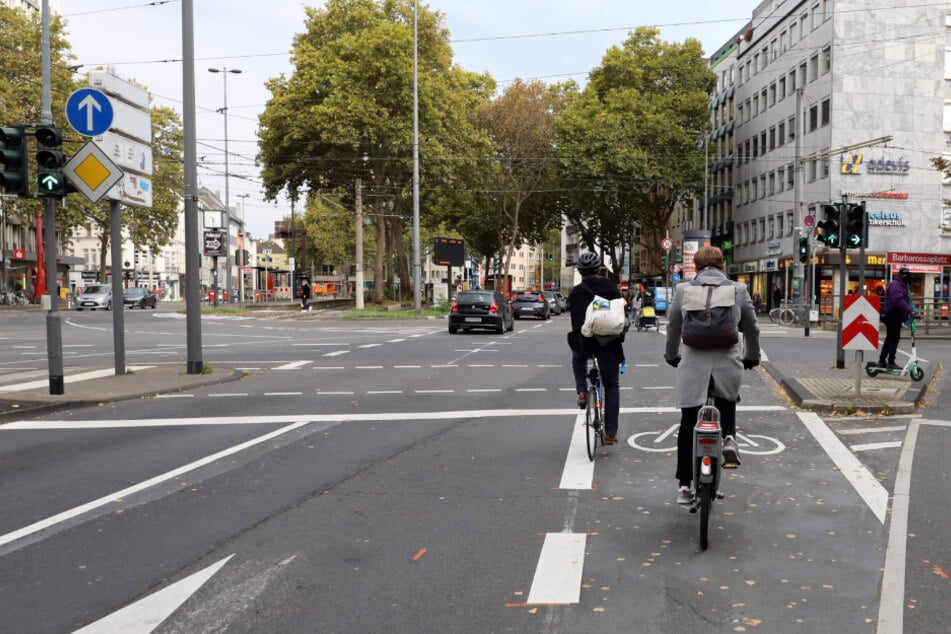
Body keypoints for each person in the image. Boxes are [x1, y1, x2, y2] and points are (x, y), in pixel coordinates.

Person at [664, 246, 761, 505]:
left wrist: (672, 355)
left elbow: (673, 327)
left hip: (693, 363)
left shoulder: (683, 290)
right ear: (723, 266)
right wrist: (753, 356)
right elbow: (752, 329)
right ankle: (729, 437)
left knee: (687, 422)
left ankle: (684, 486)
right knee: (727, 399)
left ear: (695, 268)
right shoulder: (738, 290)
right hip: (727, 362)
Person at [567, 251, 625, 445]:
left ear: (580, 272)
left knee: (577, 355)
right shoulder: (610, 287)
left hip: (584, 341)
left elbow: (575, 322)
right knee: (611, 385)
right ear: (599, 269)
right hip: (606, 342)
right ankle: (610, 433)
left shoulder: (575, 292)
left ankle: (582, 390)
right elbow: (620, 315)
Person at [878, 266, 918, 369]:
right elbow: (898, 300)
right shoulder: (896, 285)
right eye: (907, 276)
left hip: (894, 315)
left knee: (890, 338)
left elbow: (905, 300)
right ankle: (890, 361)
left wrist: (912, 312)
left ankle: (882, 360)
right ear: (903, 276)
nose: (909, 278)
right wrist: (909, 311)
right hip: (892, 315)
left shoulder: (901, 285)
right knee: (893, 338)